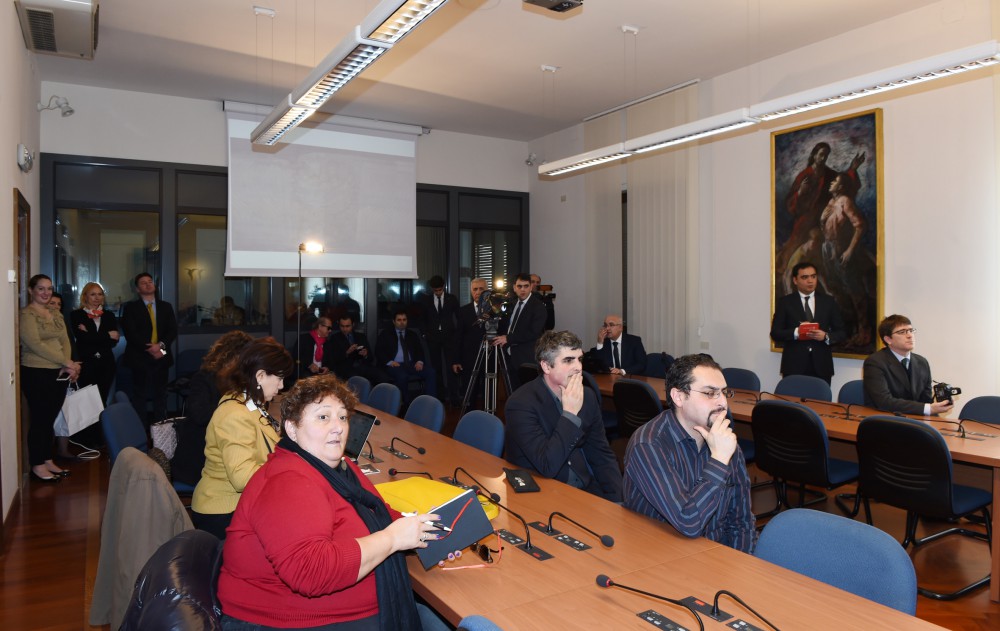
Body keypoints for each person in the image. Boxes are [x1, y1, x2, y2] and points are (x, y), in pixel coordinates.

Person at [217, 374, 442, 630]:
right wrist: (392, 539)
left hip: (343, 612)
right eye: (323, 417)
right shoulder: (287, 481)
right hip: (286, 621)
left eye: (343, 417)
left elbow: (382, 514)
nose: (338, 427)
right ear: (292, 428)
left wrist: (427, 532)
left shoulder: (341, 469)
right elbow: (311, 572)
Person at [623, 353, 755, 552]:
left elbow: (741, 522)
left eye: (724, 393)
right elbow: (688, 522)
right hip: (659, 558)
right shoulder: (649, 445)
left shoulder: (727, 442)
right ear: (679, 397)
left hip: (715, 557)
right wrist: (718, 460)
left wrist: (740, 569)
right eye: (710, 393)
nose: (722, 403)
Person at [191, 337, 294, 539]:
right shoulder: (235, 415)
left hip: (236, 503)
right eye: (279, 378)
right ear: (261, 376)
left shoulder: (247, 402)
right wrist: (289, 469)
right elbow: (242, 478)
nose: (281, 386)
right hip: (223, 511)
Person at [504, 330, 623, 502]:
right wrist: (569, 414)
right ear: (546, 366)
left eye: (579, 359)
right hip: (538, 492)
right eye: (568, 360)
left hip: (581, 488)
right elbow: (547, 465)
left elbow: (601, 454)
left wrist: (618, 500)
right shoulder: (520, 404)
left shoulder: (587, 397)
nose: (578, 367)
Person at [170, 330, 254, 487]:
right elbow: (199, 415)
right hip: (199, 458)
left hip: (221, 448)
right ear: (234, 357)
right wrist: (232, 408)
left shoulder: (240, 380)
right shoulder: (204, 378)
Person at [19, 274, 81, 482]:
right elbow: (35, 344)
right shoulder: (27, 315)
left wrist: (68, 363)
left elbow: (65, 340)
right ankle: (36, 464)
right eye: (41, 289)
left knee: (50, 419)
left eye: (49, 289)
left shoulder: (55, 313)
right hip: (36, 371)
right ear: (31, 291)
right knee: (40, 420)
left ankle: (47, 459)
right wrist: (67, 362)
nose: (46, 293)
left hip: (59, 371)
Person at [769, 262, 846, 385]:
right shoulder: (785, 303)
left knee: (820, 403)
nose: (810, 281)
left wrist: (826, 336)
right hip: (793, 366)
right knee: (791, 403)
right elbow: (775, 333)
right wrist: (796, 332)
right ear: (795, 280)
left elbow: (842, 332)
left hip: (821, 366)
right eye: (805, 277)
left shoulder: (828, 301)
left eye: (813, 276)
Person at [862, 314, 953, 416]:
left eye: (911, 330)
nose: (910, 335)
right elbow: (884, 402)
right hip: (886, 420)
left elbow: (925, 400)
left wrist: (938, 407)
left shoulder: (922, 362)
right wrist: (928, 409)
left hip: (916, 419)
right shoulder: (875, 362)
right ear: (888, 339)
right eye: (902, 332)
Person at [120, 272, 178, 425]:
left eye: (150, 281)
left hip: (162, 355)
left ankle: (161, 429)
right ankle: (141, 429)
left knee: (161, 395)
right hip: (139, 357)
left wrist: (160, 347)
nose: (148, 284)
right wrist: (151, 349)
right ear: (138, 289)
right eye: (143, 283)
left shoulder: (166, 306)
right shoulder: (131, 308)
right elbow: (131, 334)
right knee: (140, 395)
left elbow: (172, 331)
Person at [492, 273, 546, 391]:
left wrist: (508, 338)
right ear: (514, 287)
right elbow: (504, 327)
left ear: (531, 287)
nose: (523, 290)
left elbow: (533, 333)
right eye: (519, 286)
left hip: (526, 358)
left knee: (528, 393)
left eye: (526, 286)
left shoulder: (538, 306)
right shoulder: (510, 304)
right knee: (512, 392)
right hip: (508, 355)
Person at [70, 282, 120, 404]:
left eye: (100, 294)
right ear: (85, 296)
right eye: (93, 294)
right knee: (87, 401)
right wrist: (107, 335)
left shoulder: (109, 315)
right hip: (86, 363)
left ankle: (101, 424)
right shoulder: (76, 315)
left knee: (102, 399)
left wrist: (90, 334)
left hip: (106, 363)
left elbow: (113, 342)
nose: (97, 297)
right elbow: (82, 338)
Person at [374, 309, 437, 401]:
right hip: (394, 365)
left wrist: (419, 362)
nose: (402, 322)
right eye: (399, 320)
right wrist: (390, 362)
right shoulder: (386, 334)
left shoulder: (412, 334)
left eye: (404, 320)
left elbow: (419, 350)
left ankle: (431, 402)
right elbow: (379, 351)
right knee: (402, 376)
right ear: (394, 321)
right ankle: (406, 403)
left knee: (431, 372)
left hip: (411, 364)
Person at [417, 275, 459, 404]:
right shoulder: (425, 300)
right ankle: (440, 397)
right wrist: (425, 334)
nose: (438, 292)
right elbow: (422, 319)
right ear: (431, 289)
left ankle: (454, 397)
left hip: (449, 337)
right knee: (436, 368)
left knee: (451, 367)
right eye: (436, 290)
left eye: (440, 290)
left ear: (444, 287)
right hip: (433, 338)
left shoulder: (452, 299)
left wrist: (456, 334)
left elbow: (458, 317)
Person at [452, 278, 488, 401]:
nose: (478, 292)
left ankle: (489, 419)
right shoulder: (463, 311)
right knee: (469, 392)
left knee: (488, 392)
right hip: (469, 359)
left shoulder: (495, 310)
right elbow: (458, 336)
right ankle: (469, 417)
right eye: (475, 289)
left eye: (481, 289)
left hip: (490, 357)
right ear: (471, 291)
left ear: (487, 291)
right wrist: (456, 359)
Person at [323, 315, 380, 384]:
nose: (344, 329)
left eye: (347, 326)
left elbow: (371, 358)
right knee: (356, 378)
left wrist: (365, 355)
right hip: (346, 368)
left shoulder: (361, 336)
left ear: (353, 325)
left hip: (363, 366)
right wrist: (347, 353)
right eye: (342, 326)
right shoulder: (335, 338)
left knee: (381, 376)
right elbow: (333, 359)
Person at [293, 316, 333, 382]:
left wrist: (327, 368)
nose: (330, 330)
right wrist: (309, 365)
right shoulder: (304, 339)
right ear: (320, 326)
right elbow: (296, 356)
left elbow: (331, 360)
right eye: (328, 328)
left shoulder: (328, 343)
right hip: (306, 371)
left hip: (322, 373)